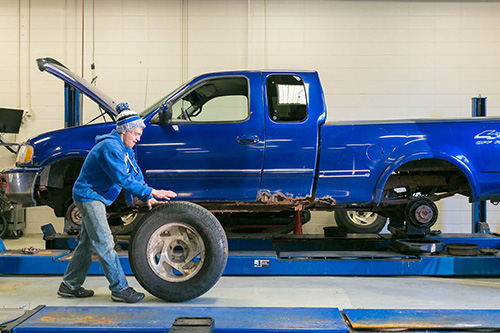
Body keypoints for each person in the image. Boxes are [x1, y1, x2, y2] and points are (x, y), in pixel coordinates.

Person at [57, 102, 177, 303]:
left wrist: (147, 195)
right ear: (124, 131)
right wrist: (152, 191)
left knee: (87, 244)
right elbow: (123, 179)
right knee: (105, 242)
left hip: (96, 196)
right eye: (136, 134)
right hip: (89, 196)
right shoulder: (110, 147)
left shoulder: (124, 147)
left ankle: (69, 285)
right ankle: (119, 288)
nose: (139, 138)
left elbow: (134, 173)